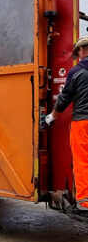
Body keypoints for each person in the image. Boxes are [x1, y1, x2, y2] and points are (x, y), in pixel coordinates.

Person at [46, 36, 88, 213]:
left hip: (83, 122)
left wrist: (51, 117)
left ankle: (85, 203)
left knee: (83, 161)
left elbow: (64, 99)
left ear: (81, 51)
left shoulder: (77, 71)